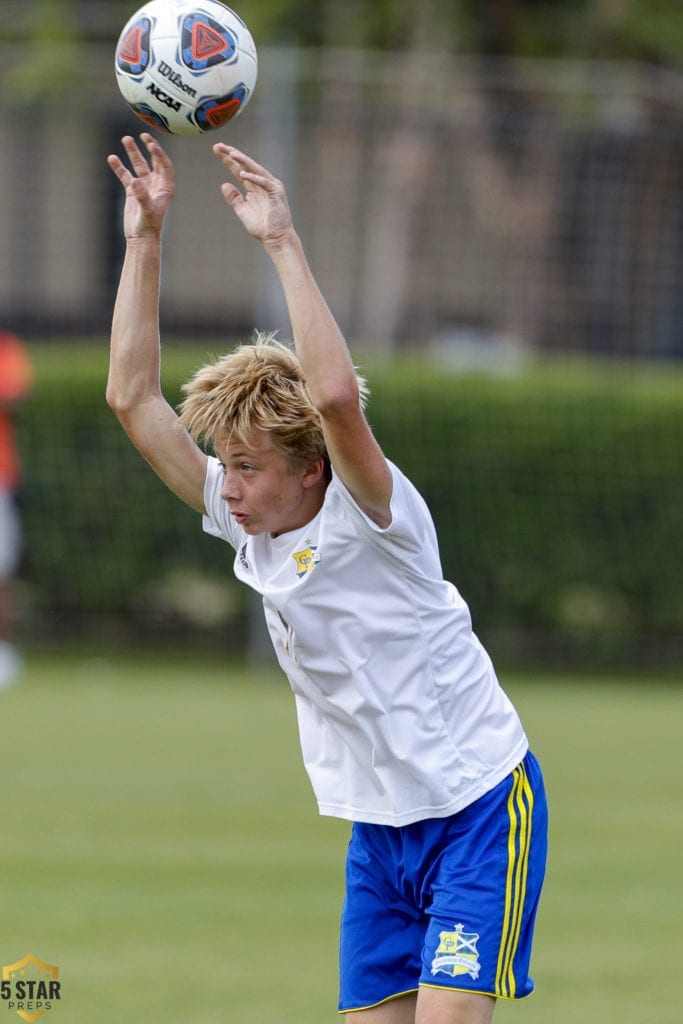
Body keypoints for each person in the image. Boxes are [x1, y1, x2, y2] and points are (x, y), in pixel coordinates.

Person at [106, 133, 548, 1024]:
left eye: (249, 466)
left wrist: (280, 240)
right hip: (379, 828)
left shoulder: (378, 519)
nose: (226, 485)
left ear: (311, 470)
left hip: (476, 809)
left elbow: (337, 399)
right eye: (224, 466)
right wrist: (146, 237)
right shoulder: (247, 524)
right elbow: (132, 400)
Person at [0, 329, 34, 690]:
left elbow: (15, 397)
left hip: (0, 476)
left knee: (1, 571)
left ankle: (3, 652)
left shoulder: (6, 348)